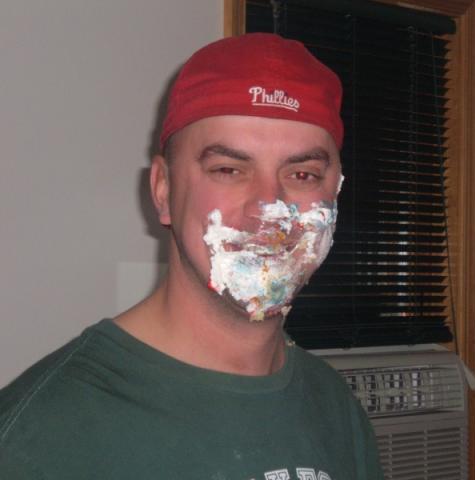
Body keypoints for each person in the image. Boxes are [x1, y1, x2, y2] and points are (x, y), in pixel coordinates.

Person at [0, 33, 384, 480]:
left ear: (335, 193)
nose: (268, 208)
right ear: (163, 190)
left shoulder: (335, 406)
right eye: (229, 170)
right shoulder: (41, 438)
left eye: (302, 174)